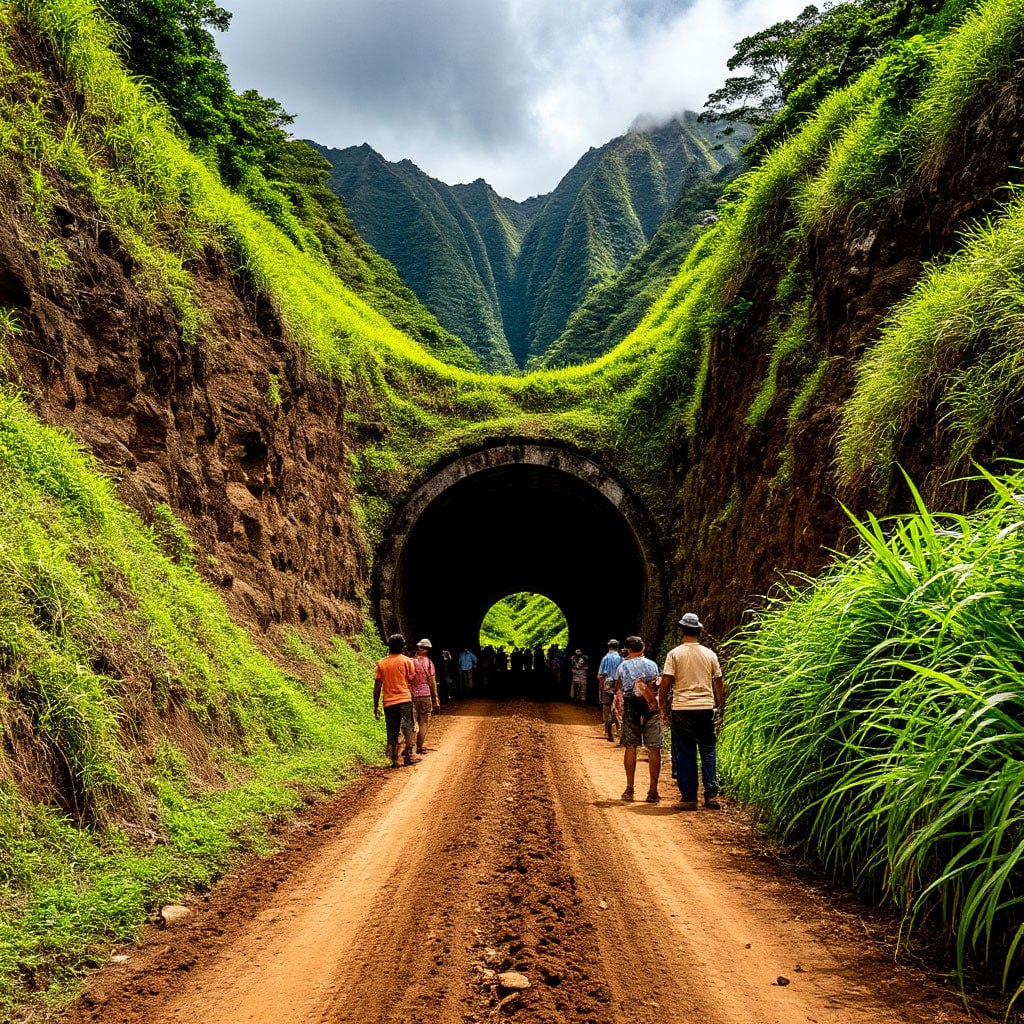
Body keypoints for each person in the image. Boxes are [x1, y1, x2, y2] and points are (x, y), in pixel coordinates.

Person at [661, 612, 725, 810]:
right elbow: (719, 684)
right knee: (708, 750)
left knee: (685, 752)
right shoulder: (710, 654)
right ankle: (711, 795)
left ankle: (689, 797)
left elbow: (665, 683)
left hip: (682, 709)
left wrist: (662, 705)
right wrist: (719, 707)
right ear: (699, 631)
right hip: (705, 708)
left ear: (682, 630)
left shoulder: (675, 654)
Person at [614, 635, 664, 802]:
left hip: (630, 706)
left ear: (628, 650)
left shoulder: (622, 666)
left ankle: (629, 789)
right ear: (642, 648)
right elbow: (655, 684)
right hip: (650, 705)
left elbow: (618, 687)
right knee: (654, 747)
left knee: (631, 746)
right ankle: (653, 791)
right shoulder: (652, 664)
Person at [373, 633, 419, 768]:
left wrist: (376, 705)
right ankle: (409, 755)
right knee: (408, 726)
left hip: (388, 702)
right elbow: (411, 678)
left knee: (392, 728)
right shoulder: (406, 661)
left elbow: (377, 686)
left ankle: (394, 758)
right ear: (402, 646)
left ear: (389, 647)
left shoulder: (381, 663)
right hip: (404, 699)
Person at [411, 639, 441, 753]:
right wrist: (435, 699)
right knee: (424, 721)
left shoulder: (410, 662)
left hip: (411, 695)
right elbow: (432, 681)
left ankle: (411, 747)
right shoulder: (428, 663)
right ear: (427, 650)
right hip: (425, 694)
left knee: (413, 721)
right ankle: (419, 747)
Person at [597, 639, 623, 742]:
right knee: (618, 706)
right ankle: (618, 729)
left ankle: (608, 730)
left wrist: (600, 683)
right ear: (617, 647)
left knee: (607, 706)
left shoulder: (606, 658)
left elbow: (601, 674)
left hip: (607, 684)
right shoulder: (621, 658)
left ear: (608, 646)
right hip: (618, 685)